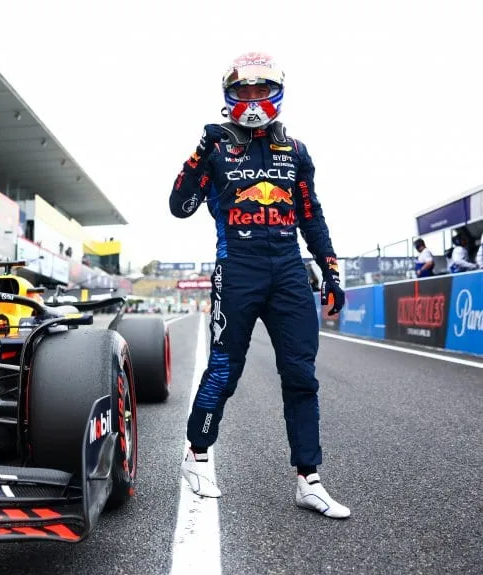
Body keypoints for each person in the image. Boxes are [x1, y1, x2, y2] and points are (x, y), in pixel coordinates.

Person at [168, 53, 350, 519]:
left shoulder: (296, 150)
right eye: (243, 92)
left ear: (276, 93)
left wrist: (330, 271)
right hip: (239, 268)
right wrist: (196, 153)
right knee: (225, 369)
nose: (251, 100)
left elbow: (312, 215)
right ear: (229, 96)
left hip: (289, 269)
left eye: (260, 91)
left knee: (301, 374)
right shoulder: (213, 146)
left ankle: (309, 478)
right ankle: (198, 454)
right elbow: (179, 206)